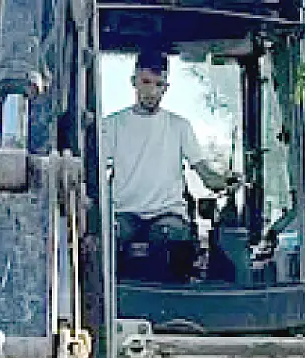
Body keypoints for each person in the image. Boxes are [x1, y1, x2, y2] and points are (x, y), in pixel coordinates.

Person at [101, 48, 235, 259]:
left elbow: (205, 175)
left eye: (159, 85)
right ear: (133, 81)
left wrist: (225, 181)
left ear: (166, 88)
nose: (152, 91)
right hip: (124, 213)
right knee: (109, 237)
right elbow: (95, 171)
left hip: (168, 214)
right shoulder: (111, 125)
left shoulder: (180, 127)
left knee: (168, 238)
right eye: (146, 82)